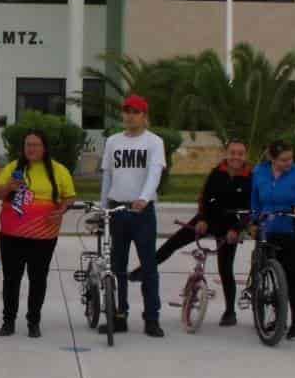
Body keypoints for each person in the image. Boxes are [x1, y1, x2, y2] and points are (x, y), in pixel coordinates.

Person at [140, 139, 253, 327]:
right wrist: (201, 219)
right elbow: (204, 197)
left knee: (225, 268)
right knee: (174, 242)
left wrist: (237, 230)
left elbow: (251, 208)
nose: (236, 157)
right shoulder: (217, 172)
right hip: (208, 219)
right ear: (227, 153)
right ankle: (142, 270)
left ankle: (229, 312)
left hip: (232, 225)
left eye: (240, 153)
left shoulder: (251, 176)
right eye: (232, 152)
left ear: (245, 156)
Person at [0, 128, 76, 338]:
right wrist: (9, 187)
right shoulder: (13, 167)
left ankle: (33, 321)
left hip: (43, 236)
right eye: (27, 145)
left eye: (35, 145)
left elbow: (69, 198)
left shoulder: (59, 170)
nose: (31, 149)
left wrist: (62, 211)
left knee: (37, 279)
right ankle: (8, 321)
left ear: (44, 148)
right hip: (12, 234)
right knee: (12, 279)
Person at [99, 94, 168, 337]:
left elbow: (154, 173)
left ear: (144, 116)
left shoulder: (154, 142)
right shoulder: (113, 142)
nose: (130, 116)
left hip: (142, 214)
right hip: (117, 211)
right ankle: (119, 315)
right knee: (117, 267)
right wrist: (103, 207)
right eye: (126, 111)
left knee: (148, 266)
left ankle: (152, 318)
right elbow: (107, 176)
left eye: (135, 112)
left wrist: (145, 197)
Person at [249, 138, 295, 340]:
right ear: (272, 158)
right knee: (268, 277)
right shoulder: (260, 172)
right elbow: (255, 199)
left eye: (290, 159)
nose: (288, 163)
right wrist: (254, 221)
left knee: (293, 278)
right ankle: (277, 318)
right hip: (267, 230)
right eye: (283, 160)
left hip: (293, 231)